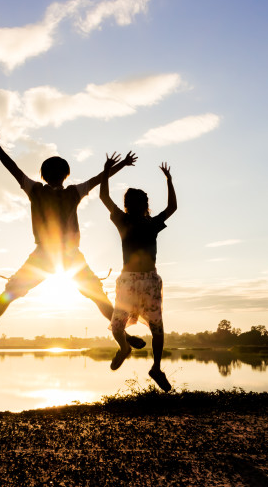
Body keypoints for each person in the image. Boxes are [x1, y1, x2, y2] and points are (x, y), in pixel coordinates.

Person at [0, 127, 147, 355]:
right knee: (11, 294)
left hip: (64, 256)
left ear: (62, 175)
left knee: (97, 297)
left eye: (58, 171)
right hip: (48, 255)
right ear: (48, 175)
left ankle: (123, 335)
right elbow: (12, 167)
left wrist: (120, 165)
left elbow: (98, 179)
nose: (55, 174)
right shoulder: (40, 190)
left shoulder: (64, 191)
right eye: (53, 171)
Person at [100, 153, 177, 391]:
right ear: (128, 206)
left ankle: (156, 368)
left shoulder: (150, 223)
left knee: (157, 327)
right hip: (130, 280)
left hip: (149, 280)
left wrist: (169, 181)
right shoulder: (124, 220)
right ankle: (125, 348)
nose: (134, 206)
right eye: (131, 202)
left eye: (138, 202)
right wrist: (106, 171)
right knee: (117, 326)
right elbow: (103, 196)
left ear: (143, 205)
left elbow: (172, 207)